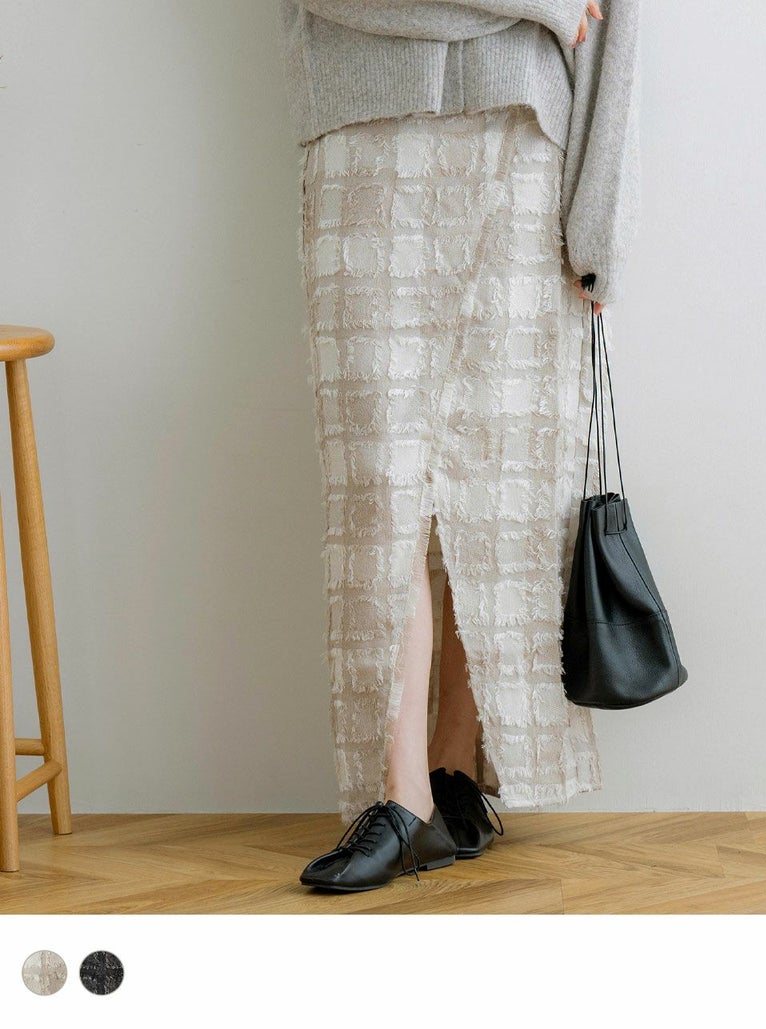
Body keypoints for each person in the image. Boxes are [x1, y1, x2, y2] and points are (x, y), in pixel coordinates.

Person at [277, 0, 641, 892]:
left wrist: (599, 223)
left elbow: (621, 20)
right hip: (363, 139)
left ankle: (451, 771)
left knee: (499, 483)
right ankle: (399, 797)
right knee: (378, 482)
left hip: (525, 148)